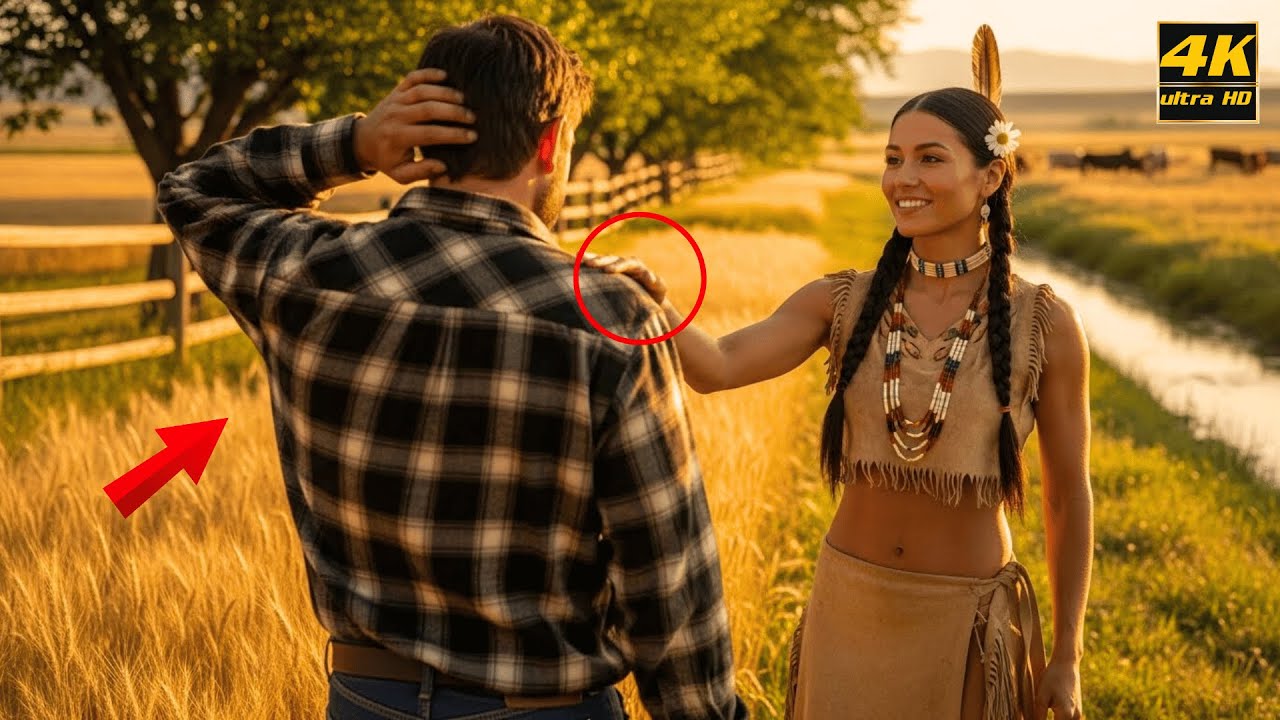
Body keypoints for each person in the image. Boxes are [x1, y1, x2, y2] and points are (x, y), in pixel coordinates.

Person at [157, 14, 747, 720]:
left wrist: (353, 143)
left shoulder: (306, 278)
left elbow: (194, 191)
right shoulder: (612, 323)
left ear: (418, 129)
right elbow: (667, 578)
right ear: (551, 142)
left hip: (363, 701)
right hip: (546, 707)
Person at [592, 36, 1093, 720]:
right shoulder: (841, 301)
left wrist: (1066, 657)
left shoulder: (1045, 325)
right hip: (849, 612)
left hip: (967, 620)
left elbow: (1068, 500)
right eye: (892, 159)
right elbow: (717, 366)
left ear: (992, 176)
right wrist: (650, 300)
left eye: (930, 158)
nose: (902, 178)